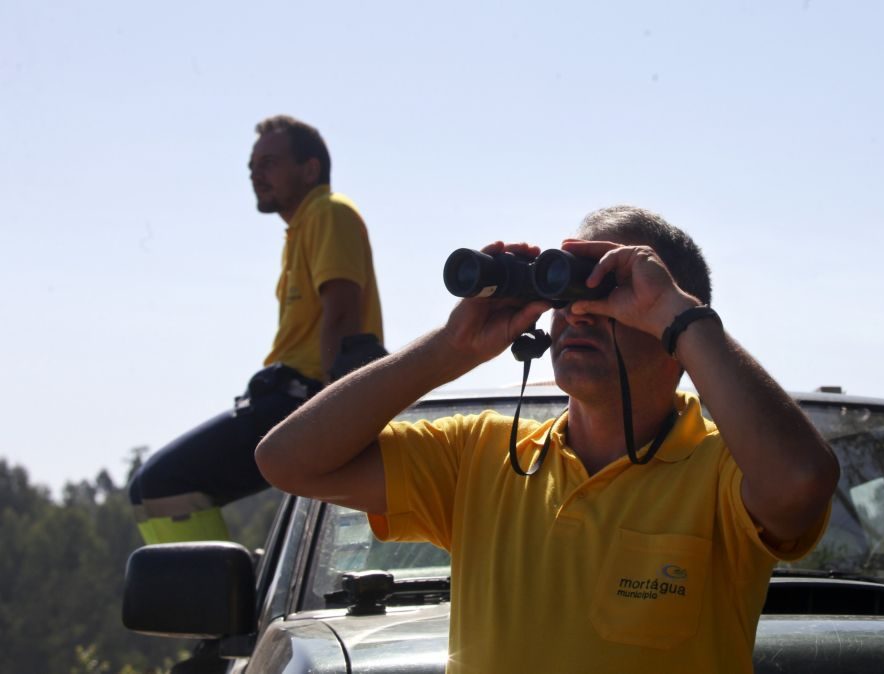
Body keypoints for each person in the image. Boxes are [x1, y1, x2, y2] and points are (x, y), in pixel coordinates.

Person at [255, 205, 839, 672]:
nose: (579, 313)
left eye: (611, 292)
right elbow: (287, 461)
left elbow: (801, 482)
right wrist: (449, 350)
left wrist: (676, 313)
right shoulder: (480, 455)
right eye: (569, 293)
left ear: (675, 328)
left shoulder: (722, 470)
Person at [129, 115, 384, 545]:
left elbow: (341, 315)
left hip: (304, 399)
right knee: (157, 486)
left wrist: (332, 415)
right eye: (252, 166)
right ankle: (220, 595)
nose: (256, 174)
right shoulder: (303, 226)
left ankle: (216, 609)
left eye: (269, 162)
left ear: (310, 169)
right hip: (292, 397)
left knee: (160, 485)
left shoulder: (329, 212)